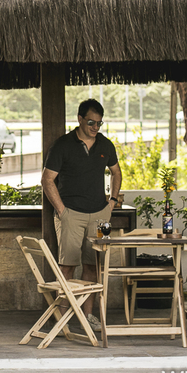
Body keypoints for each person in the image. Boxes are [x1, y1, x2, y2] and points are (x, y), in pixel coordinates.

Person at [41, 98, 121, 331]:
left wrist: (112, 203)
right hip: (71, 214)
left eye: (99, 123)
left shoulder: (106, 145)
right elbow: (47, 180)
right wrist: (62, 211)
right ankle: (63, 318)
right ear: (79, 119)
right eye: (91, 122)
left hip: (101, 216)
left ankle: (88, 316)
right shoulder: (62, 145)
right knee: (67, 266)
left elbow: (117, 173)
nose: (95, 127)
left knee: (94, 264)